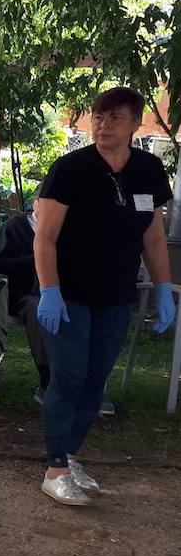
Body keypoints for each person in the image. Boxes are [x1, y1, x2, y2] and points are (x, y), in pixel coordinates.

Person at [33, 86, 174, 506]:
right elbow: (45, 238)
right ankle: (54, 468)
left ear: (135, 123)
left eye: (114, 117)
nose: (102, 125)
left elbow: (154, 235)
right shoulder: (71, 169)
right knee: (69, 376)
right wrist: (49, 291)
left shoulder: (148, 169)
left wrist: (164, 287)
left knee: (96, 380)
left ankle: (71, 456)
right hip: (69, 294)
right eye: (97, 116)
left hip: (116, 295)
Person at [0, 197, 53, 402]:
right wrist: (33, 261)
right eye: (47, 203)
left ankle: (82, 382)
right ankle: (48, 381)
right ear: (35, 203)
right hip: (19, 294)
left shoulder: (60, 230)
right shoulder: (16, 227)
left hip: (54, 293)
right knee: (37, 309)